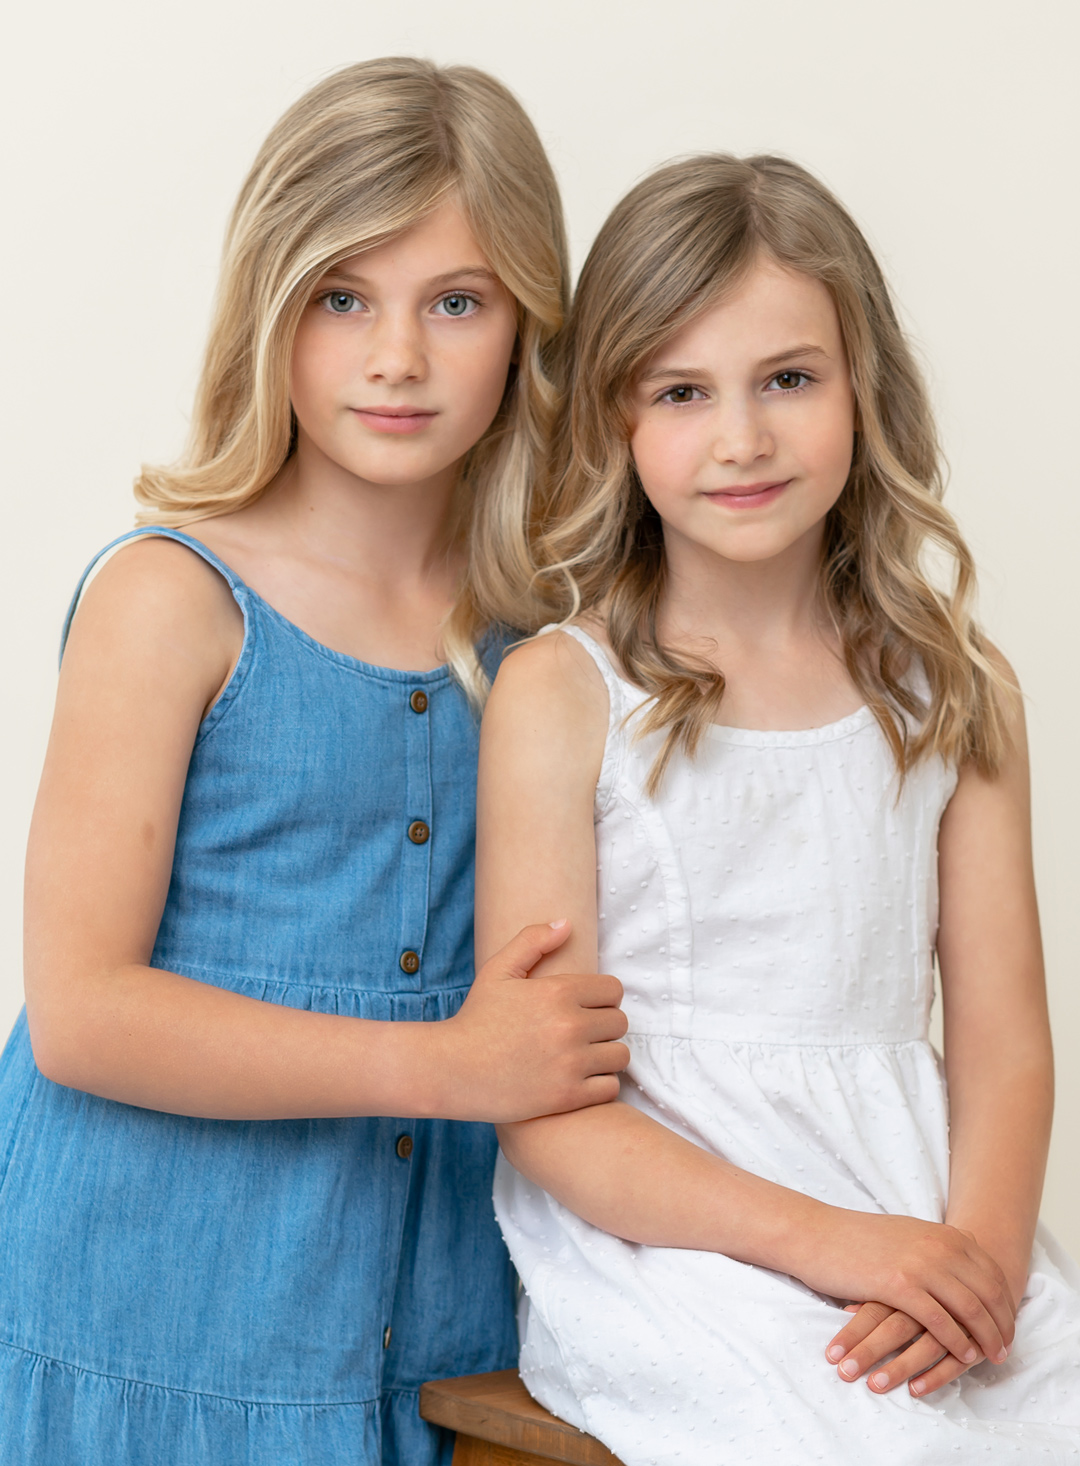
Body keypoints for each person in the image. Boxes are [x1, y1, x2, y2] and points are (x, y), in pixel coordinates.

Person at [0, 58, 629, 1466]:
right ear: (271, 309)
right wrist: (452, 1061)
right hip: (146, 1318)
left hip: (435, 1332)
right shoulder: (170, 600)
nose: (396, 356)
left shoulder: (552, 641)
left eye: (455, 302)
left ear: (528, 322)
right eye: (343, 296)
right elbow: (85, 1009)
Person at [479, 154, 1080, 1462]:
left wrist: (973, 1259)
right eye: (683, 393)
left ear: (864, 386)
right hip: (673, 1230)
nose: (742, 438)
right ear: (613, 421)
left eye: (788, 379)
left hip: (921, 1198)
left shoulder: (955, 691)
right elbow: (551, 1105)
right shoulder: (562, 692)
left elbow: (1003, 1036)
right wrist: (839, 1244)